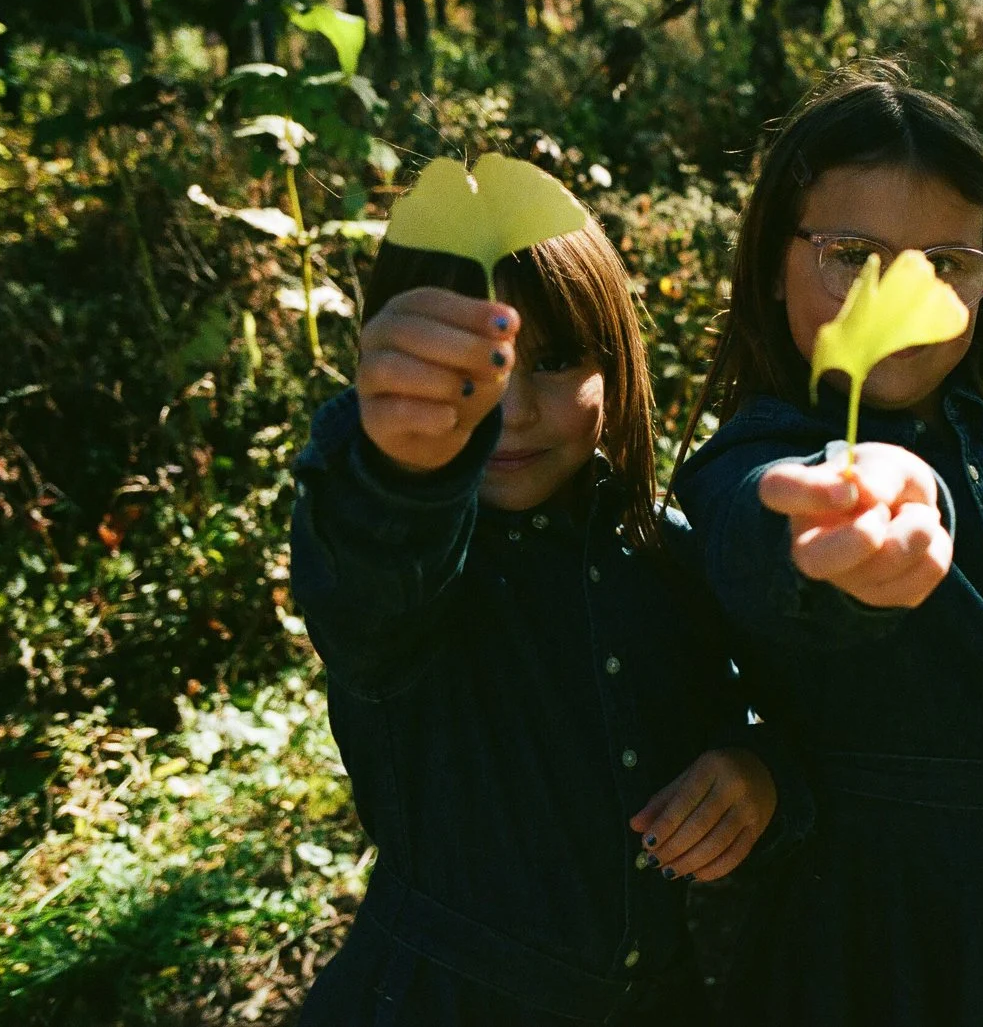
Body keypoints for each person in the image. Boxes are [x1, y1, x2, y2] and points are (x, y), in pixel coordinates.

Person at [669, 72, 983, 1027]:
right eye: (852, 253)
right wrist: (829, 540)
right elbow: (763, 539)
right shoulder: (747, 461)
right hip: (865, 943)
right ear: (771, 260)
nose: (897, 294)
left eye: (947, 261)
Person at [290, 216, 799, 1025]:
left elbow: (781, 722)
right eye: (466, 372)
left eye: (556, 360)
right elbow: (366, 564)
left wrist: (760, 769)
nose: (512, 410)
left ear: (618, 363)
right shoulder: (412, 571)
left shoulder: (667, 554)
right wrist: (392, 467)